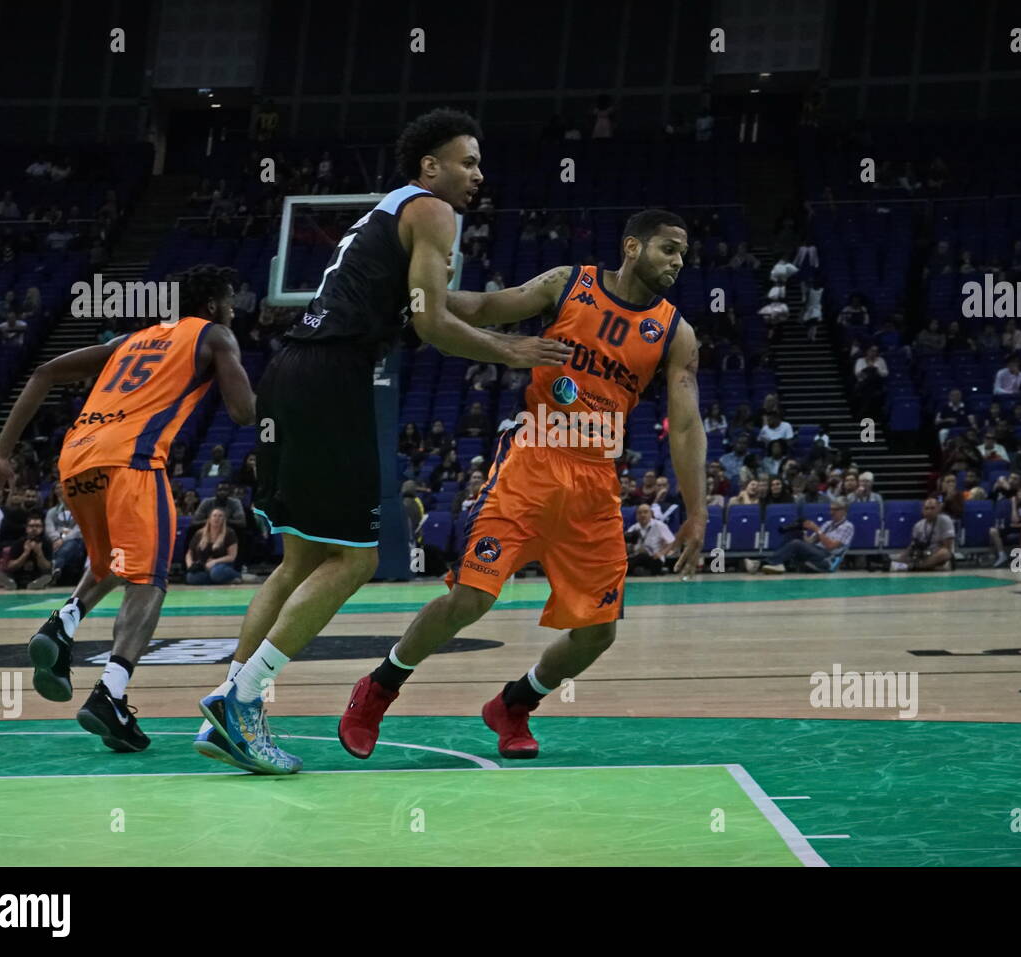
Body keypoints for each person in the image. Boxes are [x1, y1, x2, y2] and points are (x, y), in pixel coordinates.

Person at [195, 110, 570, 774]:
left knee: (301, 559)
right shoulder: (432, 213)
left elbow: (464, 306)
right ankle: (243, 699)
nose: (479, 175)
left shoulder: (392, 214)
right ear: (430, 167)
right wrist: (514, 355)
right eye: (467, 161)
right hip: (334, 378)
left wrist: (541, 294)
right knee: (357, 560)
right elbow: (431, 324)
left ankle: (231, 695)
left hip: (289, 372)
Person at [338, 208, 706, 765]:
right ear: (632, 246)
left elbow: (684, 423)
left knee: (597, 633)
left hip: (595, 479)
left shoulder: (677, 333)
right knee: (472, 596)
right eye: (668, 248)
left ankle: (513, 704)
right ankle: (377, 690)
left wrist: (697, 513)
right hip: (532, 459)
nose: (678, 261)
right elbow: (486, 307)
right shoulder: (568, 283)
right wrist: (418, 298)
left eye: (683, 253)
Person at [0, 264, 256, 754]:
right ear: (213, 305)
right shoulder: (215, 336)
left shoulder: (129, 340)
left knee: (116, 562)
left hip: (76, 461)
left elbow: (43, 372)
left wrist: (1, 454)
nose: (234, 310)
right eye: (230, 301)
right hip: (132, 462)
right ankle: (110, 693)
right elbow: (242, 412)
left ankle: (62, 624)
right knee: (149, 580)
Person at [758, 497, 853, 574]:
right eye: (831, 509)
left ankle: (766, 563)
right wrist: (802, 532)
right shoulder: (828, 524)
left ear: (844, 511)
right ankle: (777, 562)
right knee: (792, 535)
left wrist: (816, 529)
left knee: (796, 544)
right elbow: (810, 542)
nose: (831, 512)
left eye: (835, 510)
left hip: (828, 557)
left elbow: (831, 546)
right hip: (817, 551)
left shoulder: (847, 527)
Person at [882, 498, 954, 571]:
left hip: (937, 554)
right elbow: (913, 546)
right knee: (903, 557)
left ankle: (915, 567)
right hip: (923, 555)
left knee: (944, 553)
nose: (929, 511)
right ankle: (928, 567)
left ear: (938, 509)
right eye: (927, 508)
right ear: (922, 510)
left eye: (932, 508)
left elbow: (947, 547)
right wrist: (902, 558)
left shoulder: (945, 520)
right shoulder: (918, 525)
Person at [0, 512, 54, 589]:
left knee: (48, 576)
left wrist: (39, 553)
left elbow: (47, 568)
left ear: (42, 528)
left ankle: (35, 584)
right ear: (26, 528)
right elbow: (10, 566)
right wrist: (25, 553)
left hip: (36, 576)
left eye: (38, 526)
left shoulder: (47, 543)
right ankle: (10, 583)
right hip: (17, 575)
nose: (34, 529)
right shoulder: (18, 543)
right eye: (31, 526)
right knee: (1, 574)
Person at [185, 507, 240, 585]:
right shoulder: (199, 534)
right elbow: (189, 553)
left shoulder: (230, 533)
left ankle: (236, 576)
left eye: (220, 516)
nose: (217, 518)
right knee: (191, 577)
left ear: (224, 520)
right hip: (203, 566)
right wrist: (190, 565)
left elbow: (232, 556)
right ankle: (219, 580)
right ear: (209, 518)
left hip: (221, 565)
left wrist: (214, 562)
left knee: (216, 572)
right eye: (214, 515)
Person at [624, 503, 677, 576]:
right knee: (633, 560)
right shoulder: (634, 528)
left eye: (645, 512)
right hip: (637, 557)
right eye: (639, 513)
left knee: (648, 560)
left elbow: (672, 542)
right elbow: (626, 546)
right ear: (636, 516)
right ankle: (641, 571)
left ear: (651, 514)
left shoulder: (659, 525)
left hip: (653, 558)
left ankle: (639, 571)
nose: (642, 515)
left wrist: (661, 553)